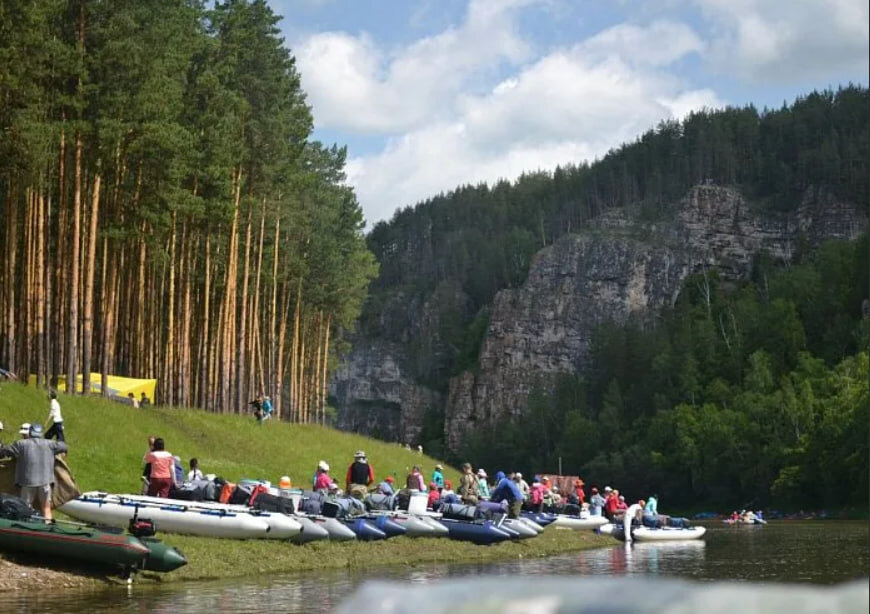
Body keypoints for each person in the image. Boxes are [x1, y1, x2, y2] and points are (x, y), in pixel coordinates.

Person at [0, 423, 68, 521]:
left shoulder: (21, 444)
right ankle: (48, 528)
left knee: (25, 508)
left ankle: (26, 529)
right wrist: (59, 431)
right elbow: (63, 446)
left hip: (27, 483)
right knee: (46, 508)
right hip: (45, 482)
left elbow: (4, 452)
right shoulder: (50, 444)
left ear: (30, 432)